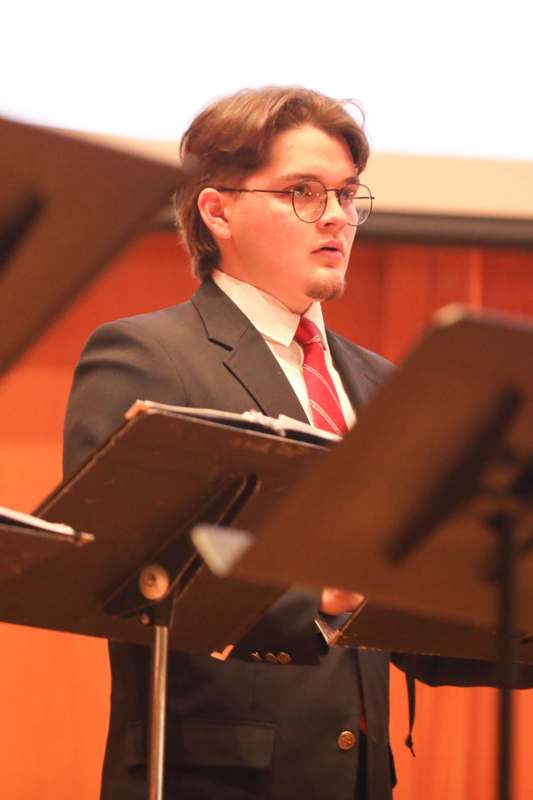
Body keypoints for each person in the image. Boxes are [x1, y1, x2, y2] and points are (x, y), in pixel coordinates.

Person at [63, 86, 530, 800]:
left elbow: (414, 626)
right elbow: (121, 573)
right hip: (210, 779)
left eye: (346, 195)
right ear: (216, 210)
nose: (338, 217)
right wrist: (326, 590)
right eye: (303, 192)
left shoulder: (380, 383)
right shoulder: (147, 354)